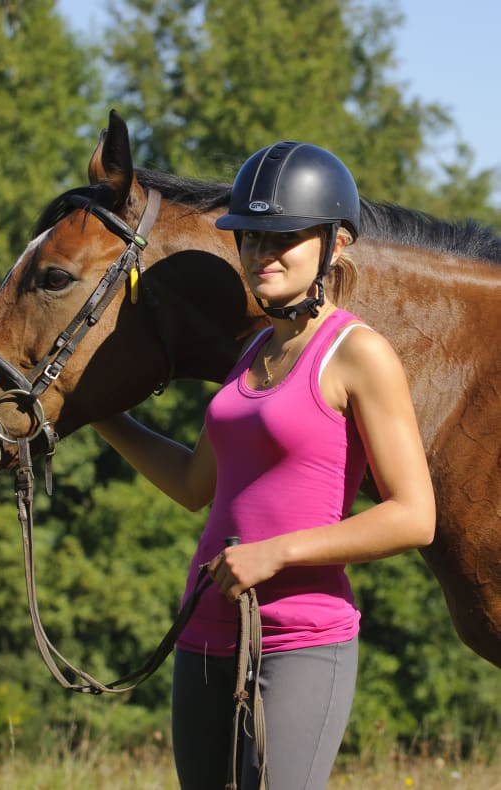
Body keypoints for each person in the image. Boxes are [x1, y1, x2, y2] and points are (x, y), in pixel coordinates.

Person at [92, 142, 435, 790]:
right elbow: (196, 487)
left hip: (301, 639)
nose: (262, 254)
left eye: (286, 237)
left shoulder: (359, 354)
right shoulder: (250, 351)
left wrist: (275, 553)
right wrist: (103, 416)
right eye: (251, 238)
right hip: (204, 633)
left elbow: (414, 518)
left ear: (335, 245)